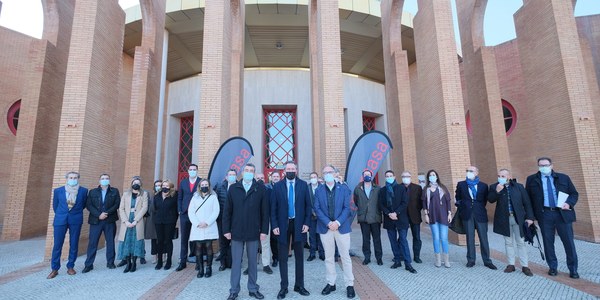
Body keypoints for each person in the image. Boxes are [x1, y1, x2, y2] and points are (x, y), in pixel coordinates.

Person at [526, 157, 579, 279]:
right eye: (541, 165)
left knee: (569, 242)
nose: (543, 167)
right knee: (548, 242)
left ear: (551, 165)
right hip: (545, 214)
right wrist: (530, 216)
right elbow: (528, 199)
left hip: (562, 214)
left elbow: (574, 193)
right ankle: (553, 267)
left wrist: (569, 203)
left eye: (545, 165)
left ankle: (573, 269)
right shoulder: (532, 180)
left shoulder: (563, 178)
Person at [223, 163, 269, 300]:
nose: (249, 173)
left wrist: (264, 231)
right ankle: (234, 290)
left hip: (254, 231)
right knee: (236, 262)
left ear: (254, 174)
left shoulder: (260, 189)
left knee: (253, 262)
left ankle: (253, 288)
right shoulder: (233, 189)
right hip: (236, 231)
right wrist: (226, 230)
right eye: (246, 170)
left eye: (251, 171)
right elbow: (227, 212)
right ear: (242, 173)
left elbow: (265, 212)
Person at [271, 161, 312, 299]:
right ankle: (284, 287)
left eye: (292, 169)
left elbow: (308, 206)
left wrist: (307, 223)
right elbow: (273, 208)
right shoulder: (277, 186)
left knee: (299, 256)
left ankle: (299, 285)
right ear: (284, 171)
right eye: (288, 169)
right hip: (283, 225)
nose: (290, 171)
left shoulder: (303, 185)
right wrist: (275, 225)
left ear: (296, 170)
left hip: (299, 224)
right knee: (283, 257)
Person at [313, 164, 355, 299]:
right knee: (329, 258)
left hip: (341, 227)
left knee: (345, 257)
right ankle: (331, 283)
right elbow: (317, 209)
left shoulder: (343, 189)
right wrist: (328, 223)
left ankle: (349, 285)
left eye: (330, 172)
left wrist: (337, 223)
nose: (327, 174)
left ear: (335, 173)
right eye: (325, 172)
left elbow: (347, 208)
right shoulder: (319, 190)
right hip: (326, 228)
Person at [489, 169, 535, 276]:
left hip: (518, 218)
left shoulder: (518, 187)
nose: (501, 177)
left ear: (509, 176)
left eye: (503, 176)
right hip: (504, 219)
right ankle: (511, 264)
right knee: (508, 242)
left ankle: (525, 266)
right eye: (499, 175)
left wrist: (530, 218)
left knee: (521, 242)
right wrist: (497, 191)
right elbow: (490, 200)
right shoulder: (494, 186)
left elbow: (527, 203)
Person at [47, 171, 88, 279]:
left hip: (75, 220)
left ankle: (70, 266)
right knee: (57, 245)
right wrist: (62, 214)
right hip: (60, 220)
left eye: (75, 177)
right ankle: (54, 269)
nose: (73, 179)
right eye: (71, 177)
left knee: (74, 244)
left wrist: (72, 213)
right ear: (67, 178)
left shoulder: (83, 191)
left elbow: (83, 205)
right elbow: (55, 206)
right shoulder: (58, 191)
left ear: (78, 179)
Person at [455, 166, 496, 270]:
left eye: (471, 171)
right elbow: (458, 198)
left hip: (480, 214)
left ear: (477, 172)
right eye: (467, 171)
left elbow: (484, 200)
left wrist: (477, 207)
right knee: (470, 237)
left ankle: (487, 260)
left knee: (483, 238)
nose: (469, 172)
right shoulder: (461, 184)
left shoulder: (483, 186)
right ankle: (471, 260)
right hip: (467, 214)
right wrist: (464, 206)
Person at [380, 170, 417, 273]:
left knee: (403, 240)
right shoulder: (383, 190)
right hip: (389, 219)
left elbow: (405, 202)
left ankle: (407, 263)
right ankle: (397, 260)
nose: (389, 177)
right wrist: (389, 214)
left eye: (391, 176)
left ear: (395, 176)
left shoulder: (401, 188)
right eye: (387, 176)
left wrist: (396, 212)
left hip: (401, 218)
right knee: (393, 241)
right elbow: (381, 204)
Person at [83, 174, 120, 273]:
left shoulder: (114, 191)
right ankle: (89, 264)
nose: (105, 180)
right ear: (99, 181)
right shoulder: (92, 192)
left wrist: (106, 213)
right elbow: (89, 205)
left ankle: (110, 262)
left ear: (109, 180)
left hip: (109, 220)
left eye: (107, 178)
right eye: (103, 179)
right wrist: (99, 215)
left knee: (110, 242)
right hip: (96, 221)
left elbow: (117, 204)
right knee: (92, 243)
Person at [189, 178, 220, 278]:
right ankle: (201, 269)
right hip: (197, 227)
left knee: (208, 247)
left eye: (206, 184)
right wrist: (197, 223)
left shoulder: (213, 197)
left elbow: (216, 211)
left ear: (209, 186)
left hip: (209, 226)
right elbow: (191, 212)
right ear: (199, 186)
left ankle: (209, 268)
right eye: (202, 185)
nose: (204, 186)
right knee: (198, 247)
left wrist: (207, 222)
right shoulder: (195, 197)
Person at [117, 176, 149, 273]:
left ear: (140, 184)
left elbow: (144, 208)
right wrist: (126, 221)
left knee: (136, 241)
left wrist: (135, 220)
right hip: (126, 221)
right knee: (126, 241)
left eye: (138, 183)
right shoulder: (126, 194)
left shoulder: (144, 194)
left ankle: (134, 263)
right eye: (134, 182)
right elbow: (121, 208)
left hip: (137, 221)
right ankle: (128, 263)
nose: (136, 184)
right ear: (131, 184)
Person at [422, 170, 452, 268]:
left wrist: (449, 214)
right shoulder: (426, 189)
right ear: (428, 178)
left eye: (433, 175)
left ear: (437, 176)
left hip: (443, 215)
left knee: (444, 238)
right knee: (436, 237)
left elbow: (448, 201)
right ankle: (438, 260)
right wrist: (426, 214)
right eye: (430, 175)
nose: (432, 176)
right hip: (432, 216)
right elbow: (424, 203)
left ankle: (446, 260)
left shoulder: (442, 188)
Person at [354, 169, 383, 266]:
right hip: (364, 218)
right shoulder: (358, 188)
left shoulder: (377, 188)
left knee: (377, 239)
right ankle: (367, 257)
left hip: (375, 217)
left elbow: (380, 201)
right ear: (363, 176)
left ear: (371, 176)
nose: (367, 176)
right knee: (366, 239)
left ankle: (379, 258)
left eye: (368, 174)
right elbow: (356, 201)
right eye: (365, 174)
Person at [177, 164, 200, 271]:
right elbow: (179, 197)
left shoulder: (201, 182)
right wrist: (180, 209)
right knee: (184, 238)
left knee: (197, 239)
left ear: (197, 171)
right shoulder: (183, 182)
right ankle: (183, 261)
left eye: (194, 170)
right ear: (188, 171)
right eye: (190, 170)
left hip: (197, 214)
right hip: (185, 214)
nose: (192, 171)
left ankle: (198, 261)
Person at [215, 169, 237, 271]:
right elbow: (216, 203)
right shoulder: (220, 187)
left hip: (236, 220)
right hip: (222, 220)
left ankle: (234, 262)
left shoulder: (239, 187)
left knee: (236, 242)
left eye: (234, 175)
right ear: (226, 177)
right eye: (230, 175)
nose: (232, 176)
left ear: (236, 177)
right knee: (223, 242)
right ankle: (223, 263)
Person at [154, 179, 178, 270]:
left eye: (167, 186)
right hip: (159, 221)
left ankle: (169, 261)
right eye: (163, 186)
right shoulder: (157, 196)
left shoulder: (174, 195)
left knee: (168, 241)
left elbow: (176, 210)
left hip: (170, 222)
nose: (165, 188)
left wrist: (174, 221)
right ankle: (159, 261)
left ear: (171, 187)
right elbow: (155, 207)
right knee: (159, 241)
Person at [399, 171, 423, 263]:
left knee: (416, 237)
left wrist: (415, 210)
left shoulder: (417, 188)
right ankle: (402, 255)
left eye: (407, 176)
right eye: (403, 176)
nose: (405, 178)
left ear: (410, 177)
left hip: (415, 216)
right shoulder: (398, 187)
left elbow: (420, 203)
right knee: (402, 237)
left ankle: (416, 256)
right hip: (402, 216)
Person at [255, 172, 273, 275]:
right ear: (255, 179)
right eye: (258, 178)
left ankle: (266, 265)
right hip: (252, 222)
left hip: (265, 221)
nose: (260, 180)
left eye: (262, 178)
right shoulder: (250, 190)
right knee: (252, 245)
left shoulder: (269, 191)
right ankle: (251, 265)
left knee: (265, 244)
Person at [307, 172, 325, 261]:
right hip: (311, 216)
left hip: (321, 216)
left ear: (317, 178)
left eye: (314, 177)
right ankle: (312, 253)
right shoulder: (307, 188)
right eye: (311, 177)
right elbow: (305, 203)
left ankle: (322, 253)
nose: (313, 178)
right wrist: (312, 211)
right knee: (312, 235)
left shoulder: (322, 187)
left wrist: (318, 212)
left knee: (321, 235)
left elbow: (325, 202)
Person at [141, 180, 159, 265]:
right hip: (152, 220)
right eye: (156, 185)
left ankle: (163, 255)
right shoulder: (150, 196)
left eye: (160, 185)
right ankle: (154, 256)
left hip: (162, 219)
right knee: (154, 239)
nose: (158, 187)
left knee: (163, 239)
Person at [267, 171, 281, 267]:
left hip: (282, 217)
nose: (275, 178)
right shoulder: (266, 188)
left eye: (277, 176)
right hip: (271, 216)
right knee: (273, 239)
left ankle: (282, 256)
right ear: (271, 178)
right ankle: (275, 258)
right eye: (274, 176)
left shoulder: (283, 187)